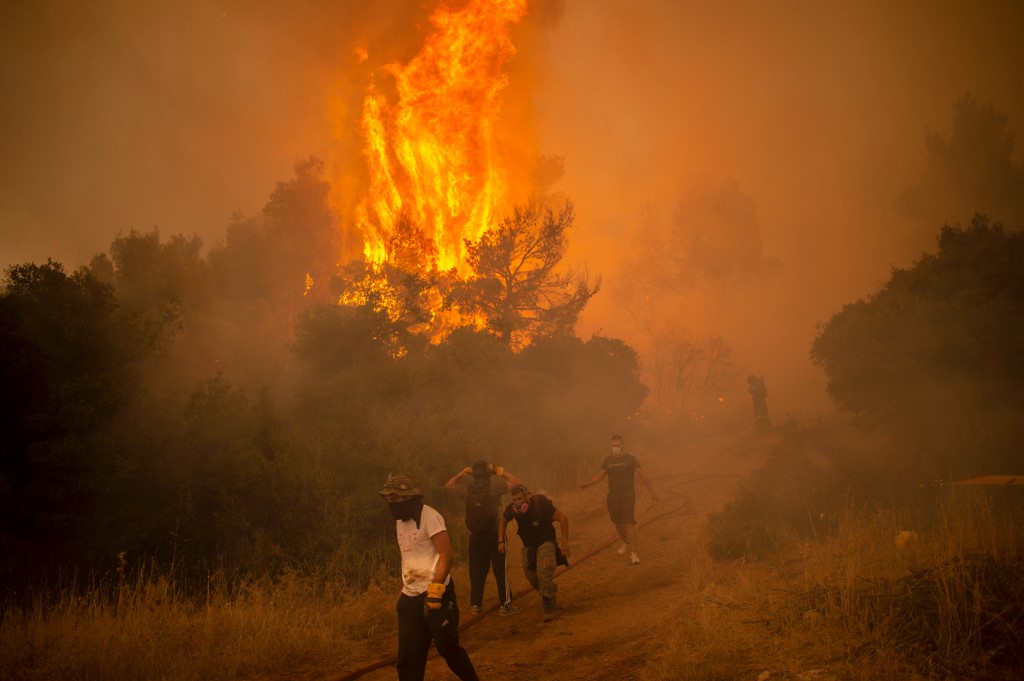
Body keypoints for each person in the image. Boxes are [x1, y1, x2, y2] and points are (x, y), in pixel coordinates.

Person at [379, 474, 479, 681]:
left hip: (436, 595)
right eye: (389, 500)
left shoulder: (430, 516)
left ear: (408, 497)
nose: (392, 504)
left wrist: (435, 590)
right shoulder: (400, 521)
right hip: (410, 597)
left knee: (447, 648)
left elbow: (446, 555)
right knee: (408, 657)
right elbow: (408, 555)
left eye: (395, 499)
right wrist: (403, 588)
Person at [444, 460, 523, 616]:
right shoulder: (493, 488)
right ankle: (505, 606)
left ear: (473, 475)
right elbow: (516, 482)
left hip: (475, 537)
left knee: (476, 572)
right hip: (494, 534)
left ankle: (475, 606)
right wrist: (499, 470)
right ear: (488, 475)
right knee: (500, 571)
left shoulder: (466, 490)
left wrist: (461, 473)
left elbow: (448, 486)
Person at [579, 434, 658, 566]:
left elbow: (642, 475)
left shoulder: (630, 459)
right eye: (613, 445)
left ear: (622, 446)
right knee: (617, 523)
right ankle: (626, 542)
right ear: (611, 446)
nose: (615, 448)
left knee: (629, 523)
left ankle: (634, 553)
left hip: (628, 495)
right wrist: (587, 484)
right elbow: (600, 476)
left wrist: (652, 491)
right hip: (613, 497)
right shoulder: (608, 461)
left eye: (617, 445)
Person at [497, 484, 569, 622]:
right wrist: (500, 540)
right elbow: (503, 521)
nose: (517, 502)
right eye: (514, 499)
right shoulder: (512, 510)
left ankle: (548, 608)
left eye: (520, 498)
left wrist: (565, 542)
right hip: (529, 545)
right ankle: (550, 589)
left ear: (527, 496)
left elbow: (563, 518)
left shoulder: (539, 504)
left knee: (543, 571)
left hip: (546, 541)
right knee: (531, 576)